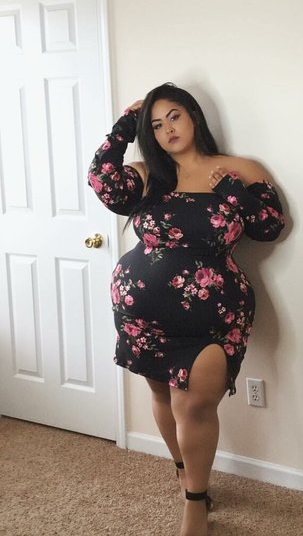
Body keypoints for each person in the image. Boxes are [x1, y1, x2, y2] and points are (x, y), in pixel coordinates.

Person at [88, 82, 285, 536]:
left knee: (195, 403)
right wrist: (126, 124)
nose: (167, 130)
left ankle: (195, 504)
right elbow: (101, 179)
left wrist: (232, 190)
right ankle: (183, 471)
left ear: (194, 115)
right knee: (162, 395)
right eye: (155, 125)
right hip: (140, 312)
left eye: (174, 116)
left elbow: (270, 227)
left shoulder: (240, 169)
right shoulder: (147, 176)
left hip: (213, 315)